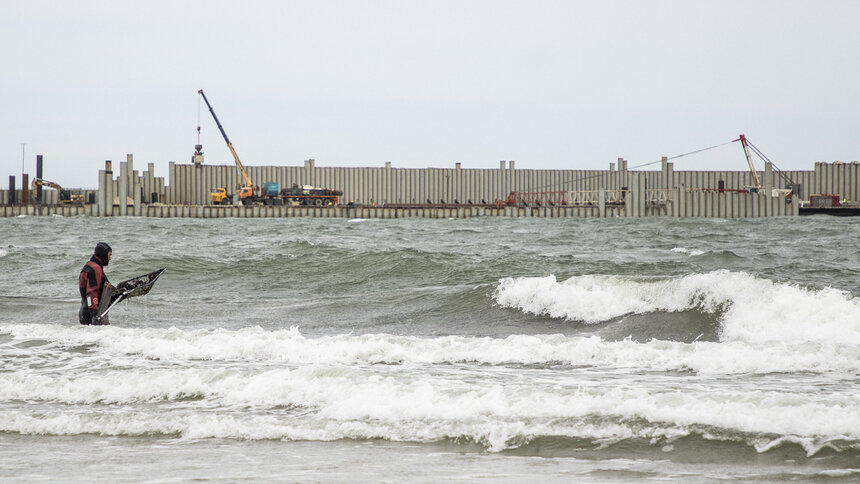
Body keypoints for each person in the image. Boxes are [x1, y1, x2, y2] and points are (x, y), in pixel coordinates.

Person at [78, 242, 115, 325]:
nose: (110, 258)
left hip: (84, 313)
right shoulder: (95, 269)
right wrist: (94, 314)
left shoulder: (89, 265)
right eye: (109, 255)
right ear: (104, 254)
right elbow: (91, 292)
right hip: (93, 315)